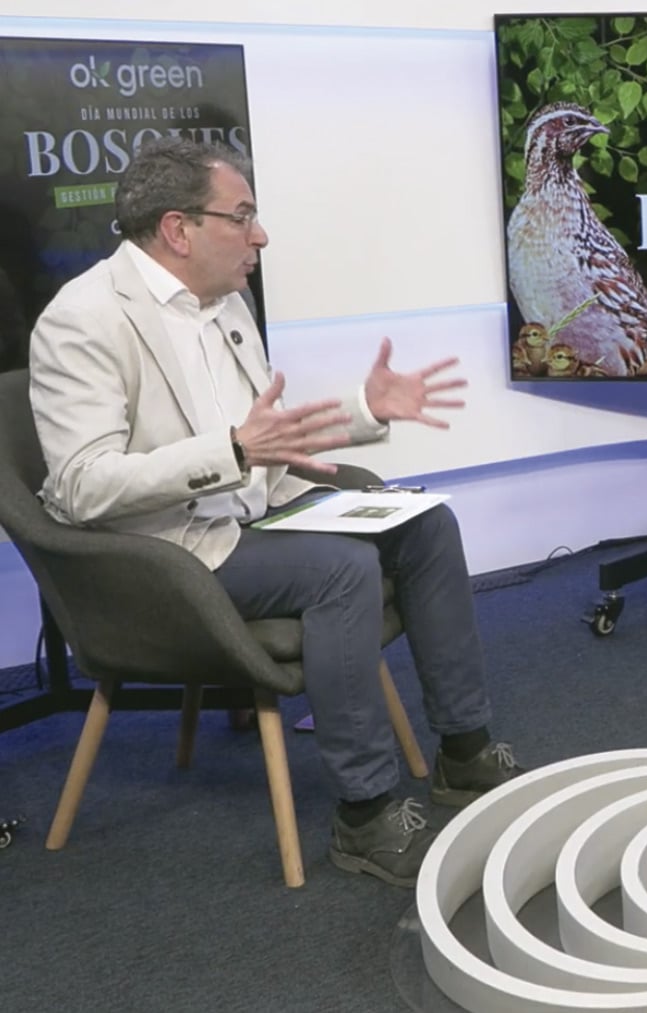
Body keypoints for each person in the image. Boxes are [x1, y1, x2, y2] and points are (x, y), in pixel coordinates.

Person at [28, 138, 523, 887]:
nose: (260, 235)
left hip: (260, 510)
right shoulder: (83, 320)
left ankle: (464, 748)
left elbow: (266, 432)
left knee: (425, 524)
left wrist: (363, 410)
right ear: (177, 229)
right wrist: (227, 450)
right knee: (342, 571)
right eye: (243, 216)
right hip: (171, 554)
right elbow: (79, 486)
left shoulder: (227, 301)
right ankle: (365, 813)